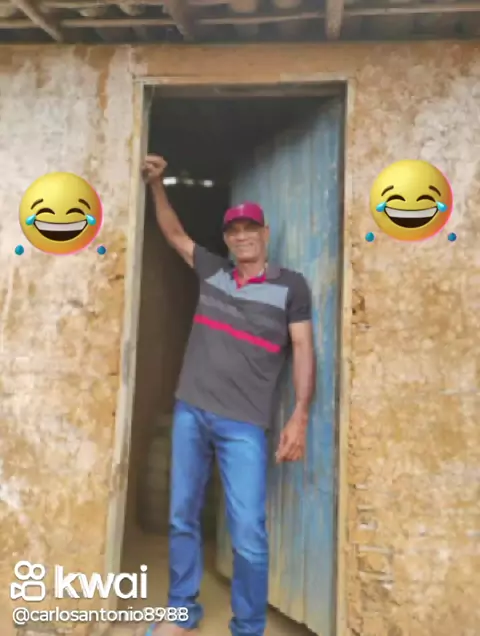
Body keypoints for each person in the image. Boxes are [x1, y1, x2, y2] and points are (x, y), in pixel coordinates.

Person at [139, 155, 316, 636]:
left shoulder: (290, 287)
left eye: (250, 228)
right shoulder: (213, 271)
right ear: (227, 239)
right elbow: (174, 234)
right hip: (191, 411)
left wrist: (300, 414)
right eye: (234, 230)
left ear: (264, 233)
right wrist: (157, 186)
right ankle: (182, 612)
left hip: (244, 424)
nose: (242, 236)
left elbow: (303, 348)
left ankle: (248, 626)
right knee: (182, 517)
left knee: (249, 534)